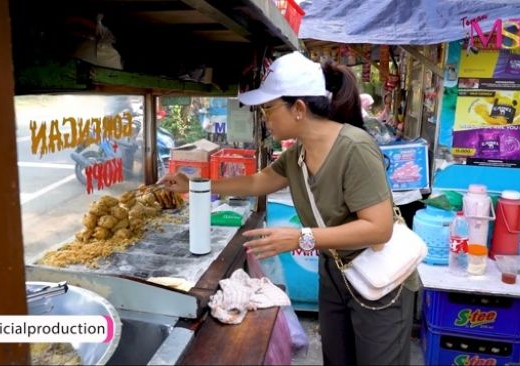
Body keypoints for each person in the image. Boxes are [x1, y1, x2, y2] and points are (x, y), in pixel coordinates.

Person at [158, 51, 418, 365]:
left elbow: (379, 229)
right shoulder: (298, 154)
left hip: (380, 278)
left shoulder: (355, 147)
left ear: (298, 108)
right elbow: (257, 182)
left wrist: (301, 238)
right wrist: (197, 185)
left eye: (269, 109)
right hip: (336, 271)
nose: (265, 118)